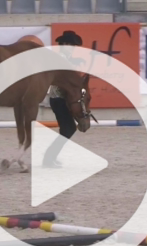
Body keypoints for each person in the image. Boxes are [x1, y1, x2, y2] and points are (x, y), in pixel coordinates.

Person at [43, 31, 84, 167]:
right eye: (72, 45)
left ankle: (50, 157)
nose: (74, 48)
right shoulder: (61, 57)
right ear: (65, 44)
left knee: (67, 128)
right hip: (59, 98)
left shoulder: (65, 56)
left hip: (61, 98)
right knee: (69, 128)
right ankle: (49, 158)